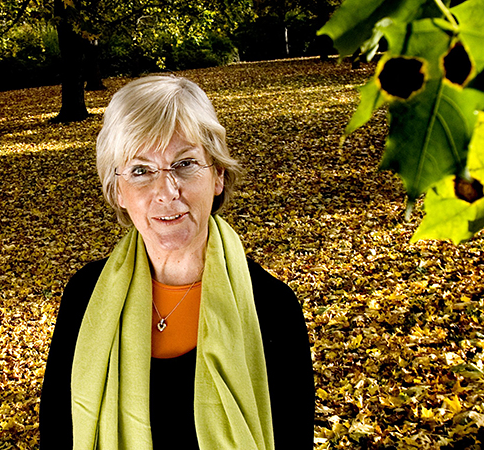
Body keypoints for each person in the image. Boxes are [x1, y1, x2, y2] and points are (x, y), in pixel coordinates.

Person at [40, 75, 314, 449]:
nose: (166, 192)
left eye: (185, 164)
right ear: (118, 189)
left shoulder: (271, 306)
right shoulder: (85, 297)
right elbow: (57, 435)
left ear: (217, 175)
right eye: (140, 170)